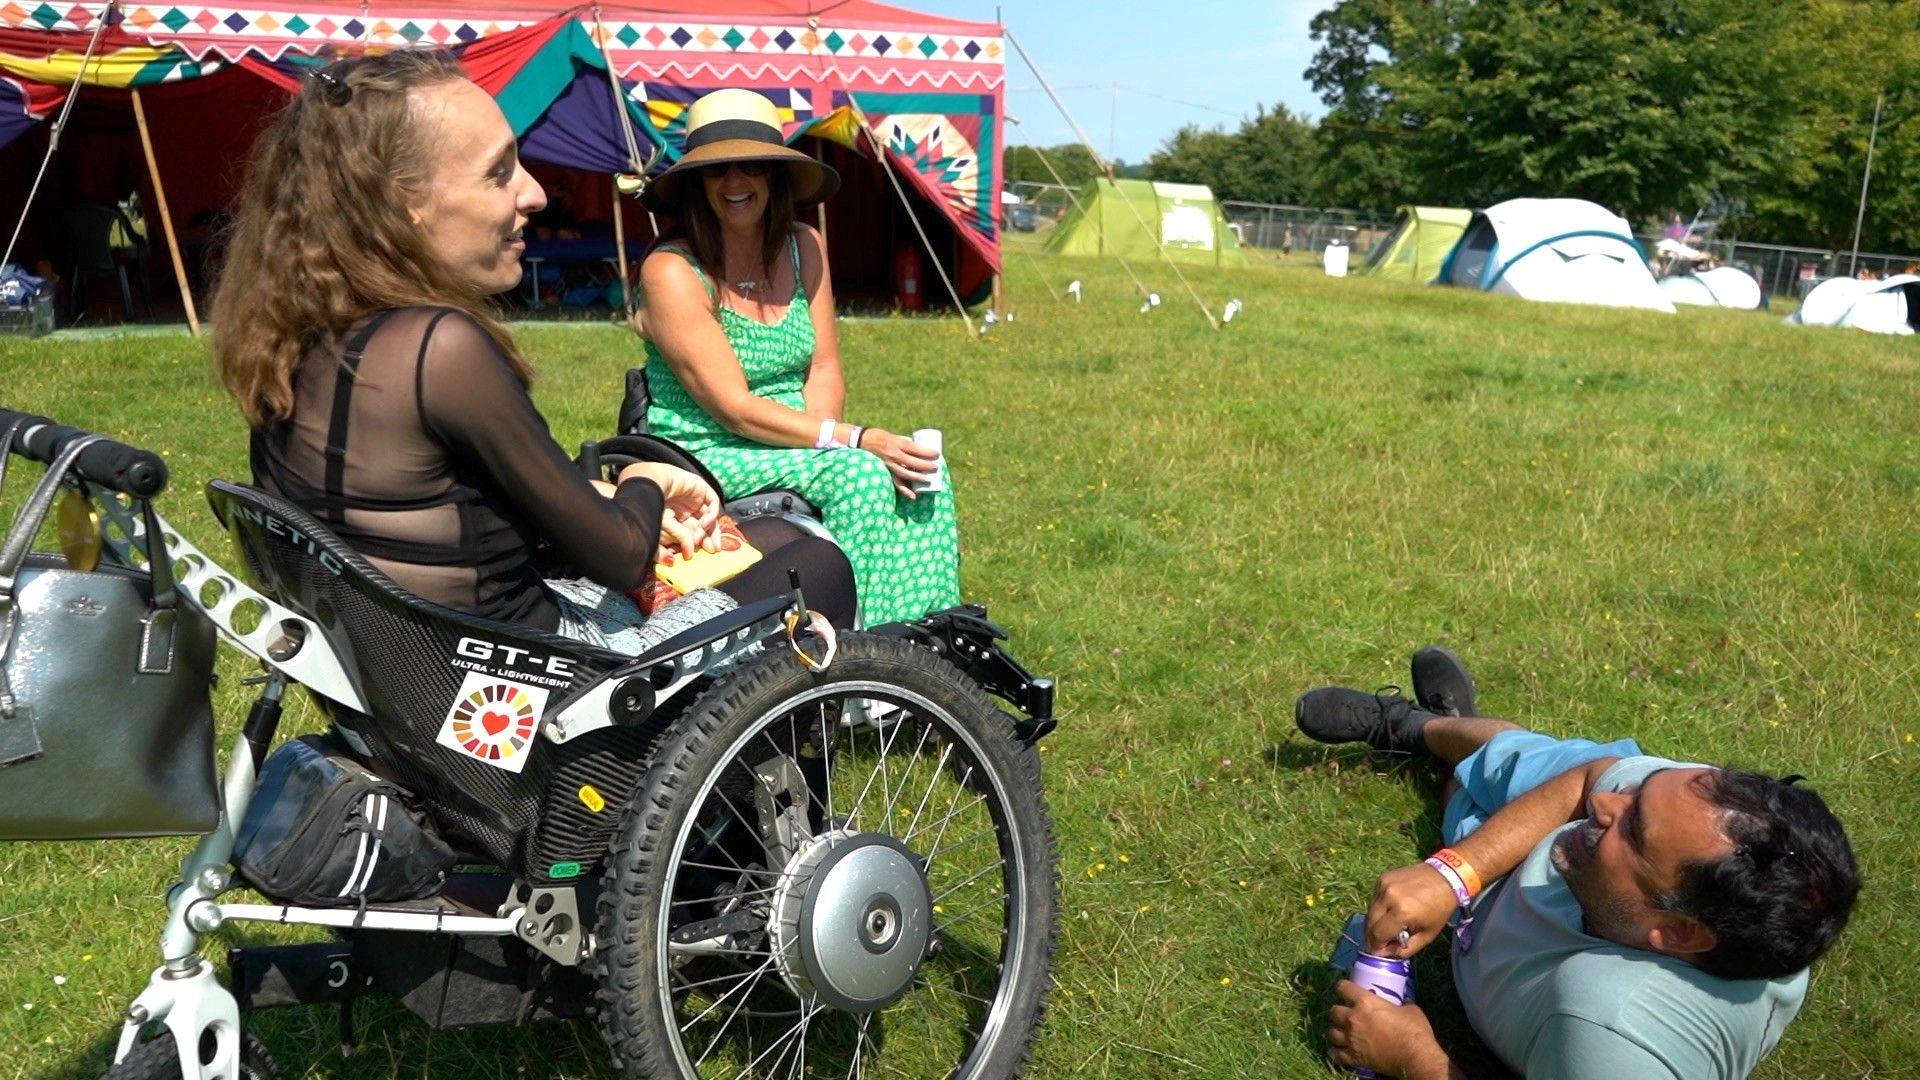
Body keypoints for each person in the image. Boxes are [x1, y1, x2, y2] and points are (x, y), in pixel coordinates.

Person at [209, 51, 855, 654]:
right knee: (817, 566)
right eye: (499, 173)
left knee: (773, 537)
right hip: (550, 694)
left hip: (426, 678)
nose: (535, 192)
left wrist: (601, 491)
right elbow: (624, 553)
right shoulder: (441, 352)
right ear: (403, 204)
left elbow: (469, 506)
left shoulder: (304, 344)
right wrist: (644, 482)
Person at [1295, 649, 1859, 1079]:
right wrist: (1453, 873)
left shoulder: (1617, 1029)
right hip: (1581, 882)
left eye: (1634, 828)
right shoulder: (1707, 818)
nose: (1606, 803)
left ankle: (1453, 754)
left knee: (1468, 807)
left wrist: (1417, 1059)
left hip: (1539, 931)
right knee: (1515, 762)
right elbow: (1593, 778)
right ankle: (1420, 727)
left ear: (1676, 931)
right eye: (1642, 794)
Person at [634, 88, 960, 626]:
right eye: (719, 171)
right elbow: (734, 409)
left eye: (752, 168)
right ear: (696, 184)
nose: (735, 183)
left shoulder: (803, 244)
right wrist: (846, 441)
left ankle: (932, 638)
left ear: (775, 177)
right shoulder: (671, 270)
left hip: (802, 434)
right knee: (858, 475)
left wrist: (825, 434)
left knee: (924, 469)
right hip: (709, 447)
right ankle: (868, 663)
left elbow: (824, 366)